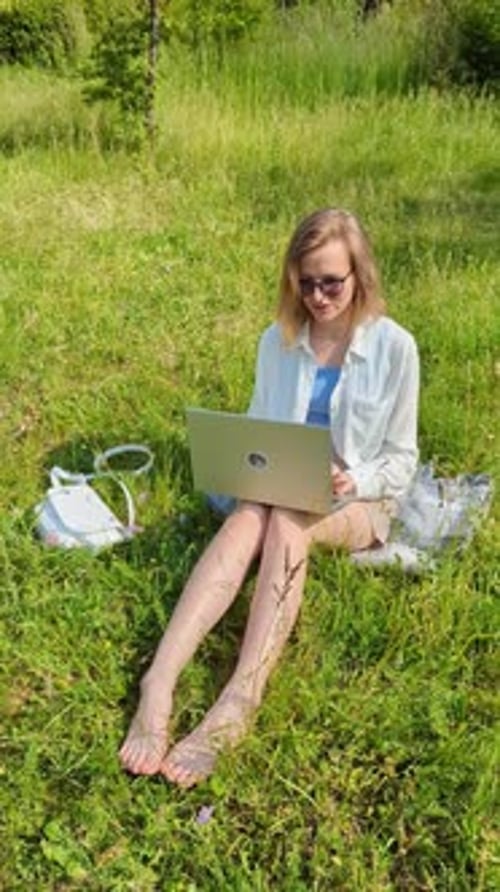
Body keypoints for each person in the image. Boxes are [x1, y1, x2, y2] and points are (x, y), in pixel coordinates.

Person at [119, 208, 419, 788]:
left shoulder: (395, 348)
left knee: (287, 522)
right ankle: (158, 682)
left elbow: (403, 461)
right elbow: (261, 428)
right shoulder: (277, 340)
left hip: (360, 497)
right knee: (248, 519)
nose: (317, 296)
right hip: (284, 481)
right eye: (305, 282)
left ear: (360, 276)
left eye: (331, 281)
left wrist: (350, 480)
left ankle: (240, 697)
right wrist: (250, 465)